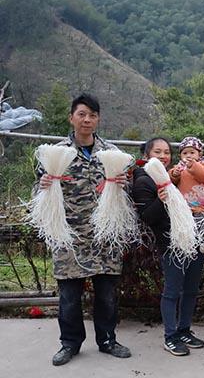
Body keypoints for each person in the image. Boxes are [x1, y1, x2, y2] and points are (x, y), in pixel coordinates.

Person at [37, 94, 131, 366]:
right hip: (69, 234)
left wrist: (123, 183)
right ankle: (70, 344)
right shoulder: (55, 154)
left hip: (104, 237)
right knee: (69, 296)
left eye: (92, 115)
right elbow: (39, 193)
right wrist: (43, 183)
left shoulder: (111, 153)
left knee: (106, 294)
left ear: (98, 119)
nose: (87, 119)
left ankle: (107, 340)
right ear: (72, 117)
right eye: (81, 114)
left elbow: (125, 192)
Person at [132, 137, 204, 356]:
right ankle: (170, 336)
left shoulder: (174, 174)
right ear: (147, 156)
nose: (163, 156)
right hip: (170, 243)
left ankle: (184, 330)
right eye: (158, 152)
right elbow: (146, 217)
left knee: (191, 289)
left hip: (193, 238)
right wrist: (161, 199)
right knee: (172, 291)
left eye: (166, 152)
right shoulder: (144, 180)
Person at [168, 136, 204, 216]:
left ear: (199, 154)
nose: (188, 155)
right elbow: (172, 182)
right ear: (180, 155)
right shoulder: (179, 167)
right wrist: (174, 174)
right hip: (185, 209)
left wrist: (193, 165)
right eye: (185, 153)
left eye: (192, 153)